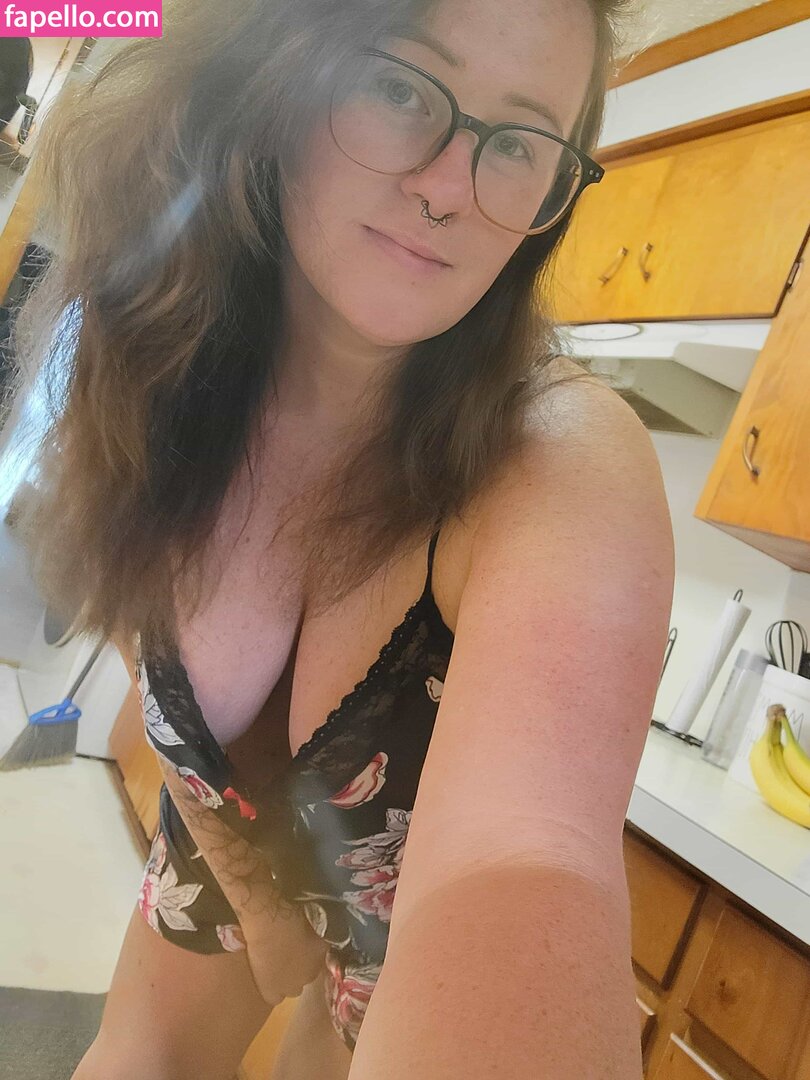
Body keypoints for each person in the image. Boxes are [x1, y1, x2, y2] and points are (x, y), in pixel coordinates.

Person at [6, 0, 673, 1076]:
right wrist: (258, 895)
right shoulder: (154, 368)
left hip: (395, 980)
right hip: (232, 853)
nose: (449, 188)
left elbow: (530, 859)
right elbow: (149, 652)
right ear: (277, 73)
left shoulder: (557, 461)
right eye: (402, 88)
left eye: (519, 143)